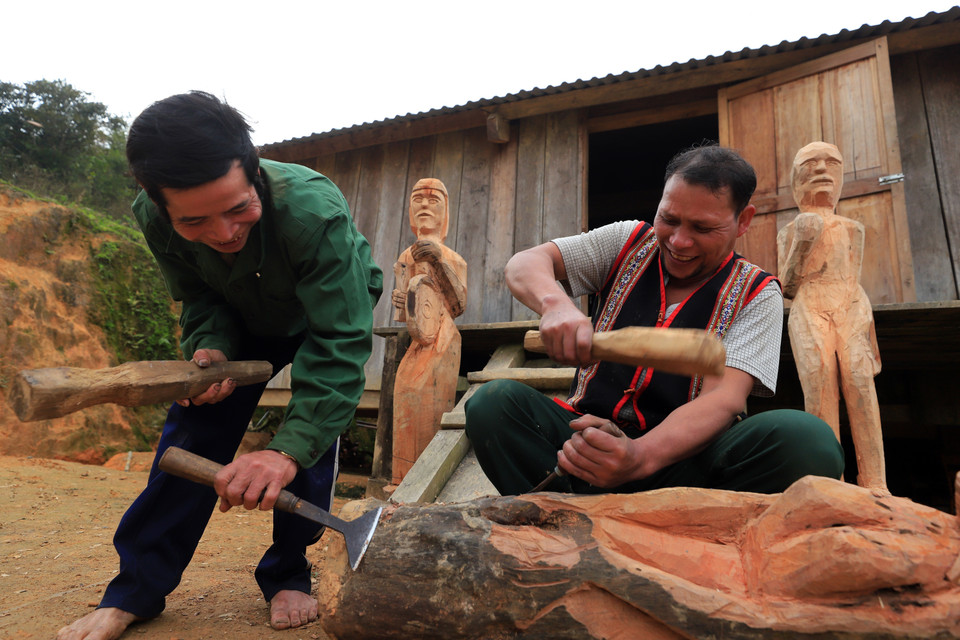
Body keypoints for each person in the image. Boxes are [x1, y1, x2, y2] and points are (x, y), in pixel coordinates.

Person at [58, 91, 382, 640]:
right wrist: (209, 349)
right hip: (239, 311)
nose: (225, 233)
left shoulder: (312, 211)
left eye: (238, 209)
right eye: (195, 221)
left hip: (316, 312)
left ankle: (289, 573)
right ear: (158, 205)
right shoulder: (153, 218)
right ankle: (135, 589)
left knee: (311, 440)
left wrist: (283, 450)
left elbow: (338, 340)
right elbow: (200, 296)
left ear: (254, 173)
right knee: (195, 426)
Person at [465, 144, 843, 496]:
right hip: (586, 446)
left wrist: (638, 458)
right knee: (492, 403)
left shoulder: (758, 292)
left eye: (702, 228)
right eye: (669, 219)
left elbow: (723, 398)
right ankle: (561, 519)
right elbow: (525, 263)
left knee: (807, 440)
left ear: (743, 221)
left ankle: (683, 531)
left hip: (683, 469)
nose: (679, 241)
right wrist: (556, 304)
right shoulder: (628, 241)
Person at [777, 141, 886, 490]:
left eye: (831, 163)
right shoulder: (791, 230)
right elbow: (788, 287)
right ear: (797, 179)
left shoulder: (853, 228)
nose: (822, 170)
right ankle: (830, 482)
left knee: (860, 383)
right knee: (820, 383)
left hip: (850, 306)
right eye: (811, 164)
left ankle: (876, 482)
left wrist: (862, 320)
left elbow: (851, 279)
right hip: (809, 307)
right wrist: (803, 242)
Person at [390, 178, 467, 483]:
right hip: (417, 339)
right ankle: (401, 477)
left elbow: (459, 303)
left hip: (443, 336)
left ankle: (423, 478)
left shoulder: (453, 258)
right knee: (404, 391)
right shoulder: (405, 257)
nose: (424, 204)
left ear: (445, 211)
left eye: (433, 199)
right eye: (417, 199)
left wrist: (437, 260)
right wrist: (402, 299)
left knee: (429, 398)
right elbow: (403, 312)